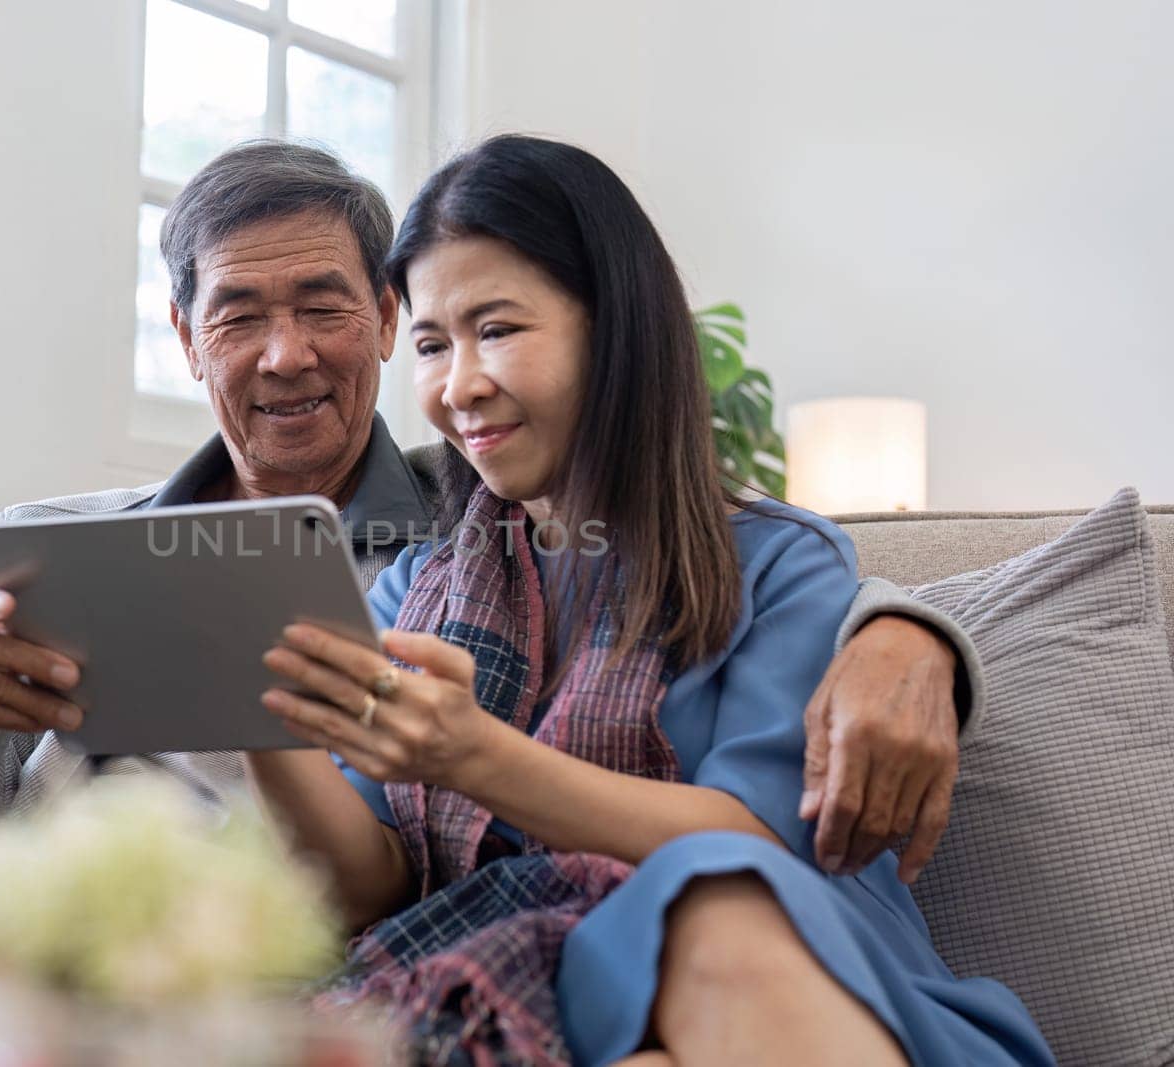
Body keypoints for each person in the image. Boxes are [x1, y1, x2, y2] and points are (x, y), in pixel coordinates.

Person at [0, 141, 976, 1066]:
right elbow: (364, 855)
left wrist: (921, 634)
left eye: (336, 308)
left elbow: (762, 769)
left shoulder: (444, 531)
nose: (290, 352)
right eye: (238, 313)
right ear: (185, 334)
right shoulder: (112, 550)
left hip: (328, 966)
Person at [243, 135, 1053, 1066]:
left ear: (613, 328)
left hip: (783, 966)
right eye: (431, 344)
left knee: (710, 896)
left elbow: (756, 841)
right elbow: (368, 887)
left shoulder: (774, 562)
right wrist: (248, 708)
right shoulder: (408, 588)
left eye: (498, 329)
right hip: (524, 984)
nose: (460, 382)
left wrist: (475, 756)